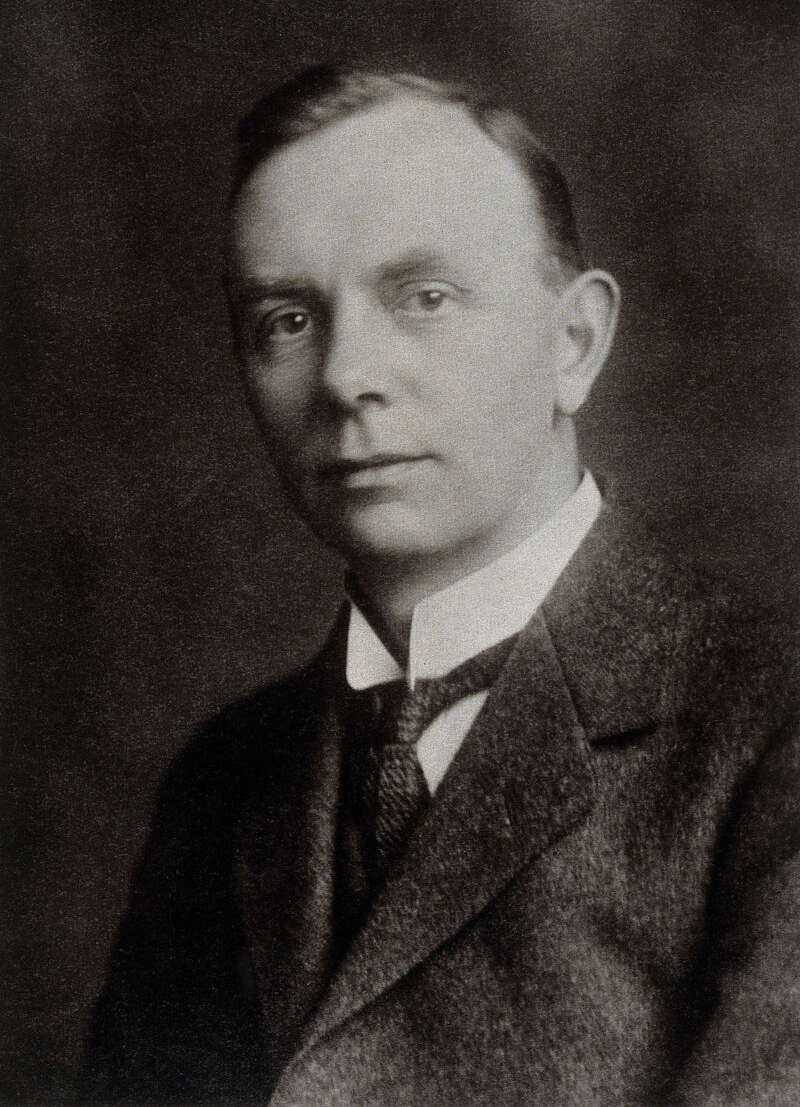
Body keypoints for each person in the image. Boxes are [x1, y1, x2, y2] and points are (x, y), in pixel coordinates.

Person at [79, 66, 799, 1105]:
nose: (344, 377)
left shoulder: (767, 728)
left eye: (424, 298)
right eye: (287, 320)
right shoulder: (223, 780)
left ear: (573, 343)